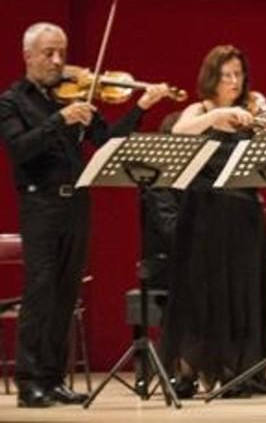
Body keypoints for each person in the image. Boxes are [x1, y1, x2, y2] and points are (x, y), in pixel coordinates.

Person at [0, 22, 169, 407]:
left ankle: (53, 377)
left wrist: (139, 108)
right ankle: (29, 383)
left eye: (62, 52)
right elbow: (20, 148)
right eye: (48, 53)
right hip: (39, 204)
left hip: (76, 203)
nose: (58, 61)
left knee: (66, 295)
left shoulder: (72, 98)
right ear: (28, 56)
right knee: (40, 292)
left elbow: (108, 143)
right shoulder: (11, 101)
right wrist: (61, 119)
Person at [161, 45, 266, 397]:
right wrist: (216, 117)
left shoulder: (250, 109)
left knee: (241, 293)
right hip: (204, 215)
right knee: (201, 295)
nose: (234, 81)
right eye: (227, 75)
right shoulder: (201, 109)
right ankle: (190, 371)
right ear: (212, 77)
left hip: (243, 215)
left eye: (238, 74)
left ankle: (239, 371)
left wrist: (265, 120)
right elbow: (179, 131)